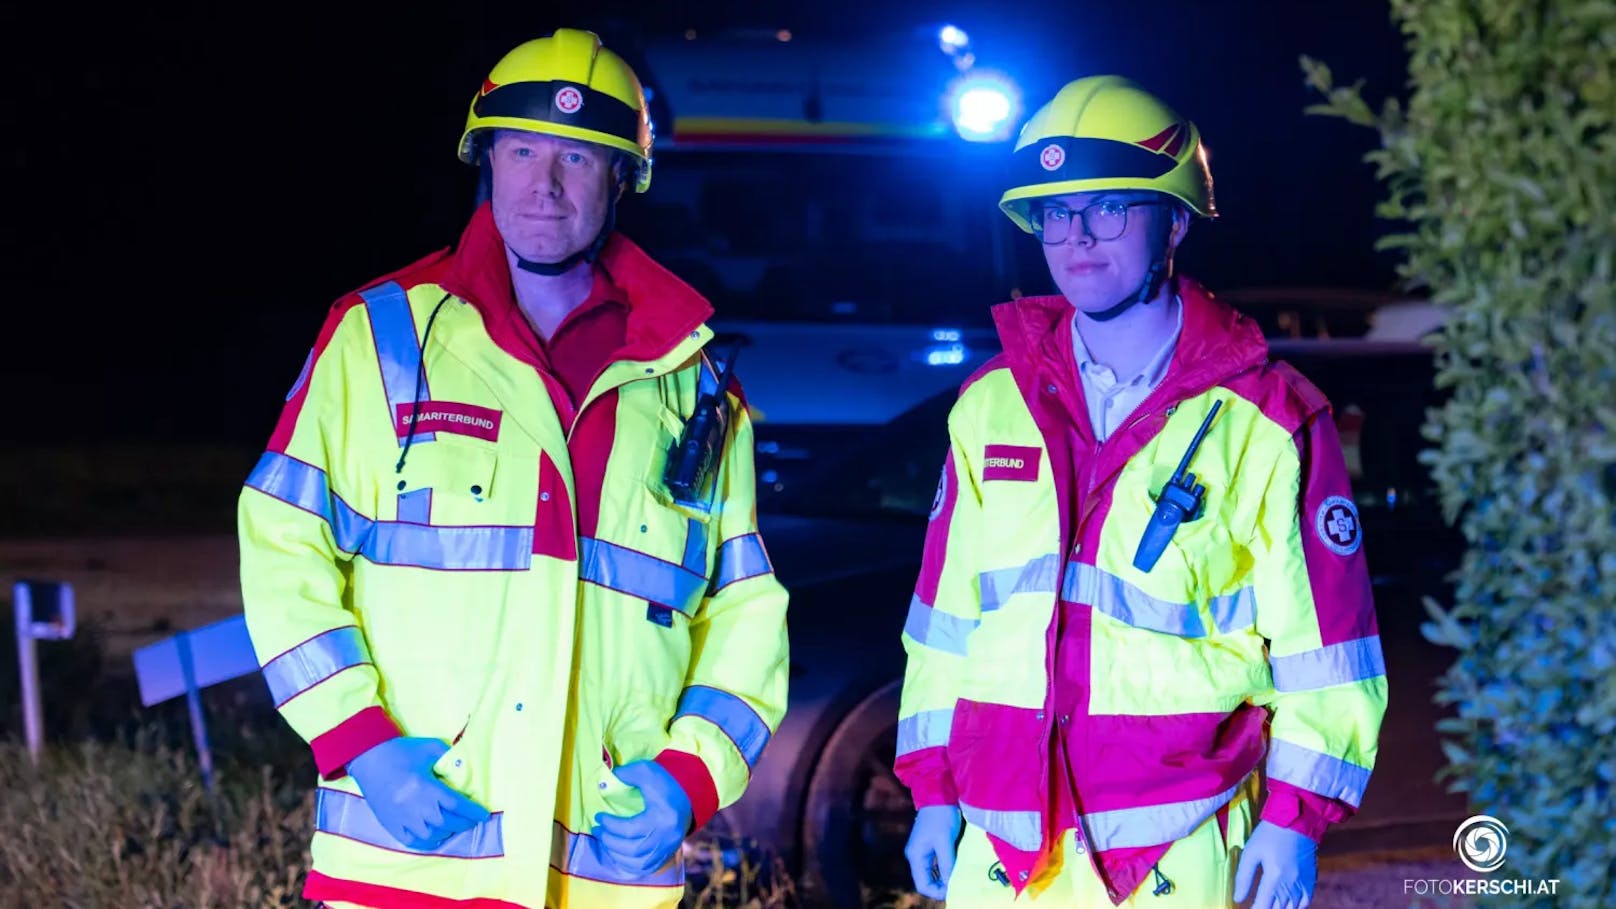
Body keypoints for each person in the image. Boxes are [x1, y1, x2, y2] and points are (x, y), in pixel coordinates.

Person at [237, 28, 789, 909]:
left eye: (579, 156)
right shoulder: (379, 339)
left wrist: (690, 775)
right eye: (523, 150)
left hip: (602, 876)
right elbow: (281, 544)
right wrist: (363, 745)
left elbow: (746, 606)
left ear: (622, 179)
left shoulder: (694, 379)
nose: (546, 183)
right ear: (485, 160)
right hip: (410, 860)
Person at [894, 75, 1387, 908]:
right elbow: (945, 628)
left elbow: (1328, 653)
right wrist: (934, 792)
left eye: (1111, 207)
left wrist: (1293, 823)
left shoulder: (1269, 421)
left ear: (1177, 220)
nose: (1078, 235)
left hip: (1178, 840)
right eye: (1056, 211)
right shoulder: (990, 403)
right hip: (1005, 844)